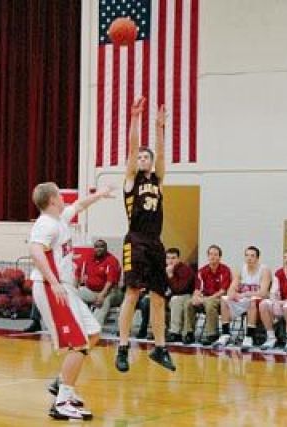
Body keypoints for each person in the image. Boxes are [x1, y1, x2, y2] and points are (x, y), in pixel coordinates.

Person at [29, 182, 114, 420]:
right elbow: (35, 251)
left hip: (66, 288)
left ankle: (61, 383)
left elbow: (79, 205)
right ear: (53, 200)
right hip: (51, 287)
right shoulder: (45, 224)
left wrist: (100, 194)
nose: (64, 196)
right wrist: (54, 282)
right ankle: (62, 402)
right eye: (59, 193)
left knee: (93, 333)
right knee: (78, 342)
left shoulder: (60, 219)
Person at [115, 97, 176, 372]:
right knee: (132, 292)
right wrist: (135, 118)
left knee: (159, 296)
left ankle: (160, 348)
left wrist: (160, 128)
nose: (141, 159)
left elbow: (162, 157)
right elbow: (131, 149)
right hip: (136, 240)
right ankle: (123, 346)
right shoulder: (131, 178)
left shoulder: (157, 180)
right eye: (139, 157)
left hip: (155, 243)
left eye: (145, 156)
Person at [213, 246, 271, 351]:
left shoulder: (264, 270)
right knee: (224, 299)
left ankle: (249, 336)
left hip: (259, 300)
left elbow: (263, 292)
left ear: (257, 258)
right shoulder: (240, 269)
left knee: (252, 301)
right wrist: (232, 294)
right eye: (247, 255)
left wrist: (246, 294)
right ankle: (225, 334)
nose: (249, 258)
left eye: (252, 256)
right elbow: (232, 287)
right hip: (243, 298)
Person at [183, 245, 232, 345]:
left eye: (215, 254)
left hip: (220, 300)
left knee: (210, 303)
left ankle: (212, 334)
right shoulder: (202, 271)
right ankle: (189, 333)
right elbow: (197, 289)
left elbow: (223, 291)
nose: (212, 257)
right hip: (205, 298)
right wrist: (195, 297)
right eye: (210, 254)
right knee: (189, 303)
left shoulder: (225, 270)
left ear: (219, 257)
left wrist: (206, 299)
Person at [260, 248, 287, 353]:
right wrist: (275, 301)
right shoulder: (279, 273)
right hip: (282, 303)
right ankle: (271, 337)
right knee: (263, 304)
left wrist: (284, 302)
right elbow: (273, 292)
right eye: (285, 258)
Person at [77, 239, 122, 326]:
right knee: (75, 295)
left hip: (111, 293)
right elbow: (77, 274)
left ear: (106, 248)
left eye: (102, 246)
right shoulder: (88, 258)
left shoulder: (112, 260)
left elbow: (110, 282)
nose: (99, 249)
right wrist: (74, 289)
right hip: (93, 291)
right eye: (97, 247)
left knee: (104, 301)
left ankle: (95, 329)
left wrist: (102, 295)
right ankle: (81, 325)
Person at [165, 248, 195, 343]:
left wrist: (170, 276)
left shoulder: (185, 270)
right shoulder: (163, 269)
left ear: (178, 259)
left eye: (173, 258)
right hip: (170, 296)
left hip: (186, 295)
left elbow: (179, 289)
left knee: (177, 300)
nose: (170, 261)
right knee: (152, 299)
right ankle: (153, 331)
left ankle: (176, 332)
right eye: (168, 258)